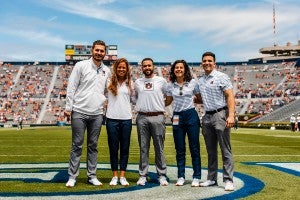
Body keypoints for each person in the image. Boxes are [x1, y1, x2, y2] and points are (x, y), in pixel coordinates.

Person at [65, 40, 111, 187]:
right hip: (79, 111)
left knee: (93, 146)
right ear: (92, 50)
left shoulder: (107, 70)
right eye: (97, 50)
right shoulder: (81, 65)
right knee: (76, 145)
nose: (99, 53)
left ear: (105, 53)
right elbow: (71, 87)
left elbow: (109, 91)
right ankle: (72, 176)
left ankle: (92, 176)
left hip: (97, 113)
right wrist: (68, 107)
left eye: (102, 51)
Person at [195, 52, 235, 191]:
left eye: (209, 61)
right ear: (202, 63)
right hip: (207, 116)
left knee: (225, 149)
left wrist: (231, 115)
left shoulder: (221, 77)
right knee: (211, 150)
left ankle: (228, 180)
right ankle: (211, 178)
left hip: (220, 114)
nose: (207, 63)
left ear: (214, 63)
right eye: (204, 61)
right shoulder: (200, 80)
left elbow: (229, 96)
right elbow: (199, 98)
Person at [165, 59, 201, 187]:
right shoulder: (170, 85)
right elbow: (168, 101)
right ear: (173, 70)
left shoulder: (193, 83)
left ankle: (196, 176)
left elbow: (200, 98)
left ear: (185, 69)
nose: (178, 69)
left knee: (194, 147)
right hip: (177, 116)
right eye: (176, 68)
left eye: (181, 67)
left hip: (191, 114)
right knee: (179, 148)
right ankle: (181, 176)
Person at [134, 58, 168, 186]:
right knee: (143, 147)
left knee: (159, 148)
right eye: (144, 66)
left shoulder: (161, 81)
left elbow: (168, 96)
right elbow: (135, 98)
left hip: (157, 116)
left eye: (149, 65)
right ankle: (143, 175)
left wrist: (160, 106)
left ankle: (162, 175)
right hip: (142, 117)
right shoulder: (137, 82)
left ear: (153, 66)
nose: (147, 67)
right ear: (142, 68)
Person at [106, 58, 133, 186]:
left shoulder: (131, 83)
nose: (121, 69)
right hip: (111, 119)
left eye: (124, 67)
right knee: (113, 148)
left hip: (126, 119)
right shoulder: (108, 81)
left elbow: (135, 100)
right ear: (116, 68)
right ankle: (114, 176)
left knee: (124, 148)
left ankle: (122, 176)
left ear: (127, 69)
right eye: (119, 67)